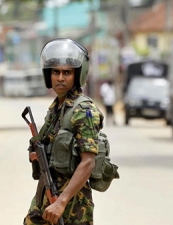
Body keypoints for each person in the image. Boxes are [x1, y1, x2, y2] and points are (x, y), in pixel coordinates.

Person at [24, 38, 104, 225]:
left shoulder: (83, 111)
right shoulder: (57, 109)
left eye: (67, 73)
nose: (60, 78)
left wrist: (61, 202)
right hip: (46, 193)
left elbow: (88, 162)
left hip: (72, 203)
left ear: (77, 75)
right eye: (55, 72)